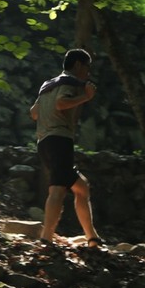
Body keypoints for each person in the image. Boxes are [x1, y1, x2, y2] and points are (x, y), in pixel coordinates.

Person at [28, 47, 102, 247]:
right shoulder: (71, 83)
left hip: (44, 143)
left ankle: (92, 237)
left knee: (81, 187)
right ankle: (46, 238)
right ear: (78, 65)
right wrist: (86, 97)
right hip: (60, 140)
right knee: (58, 190)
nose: (88, 72)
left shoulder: (47, 85)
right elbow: (62, 103)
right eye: (87, 67)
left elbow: (34, 113)